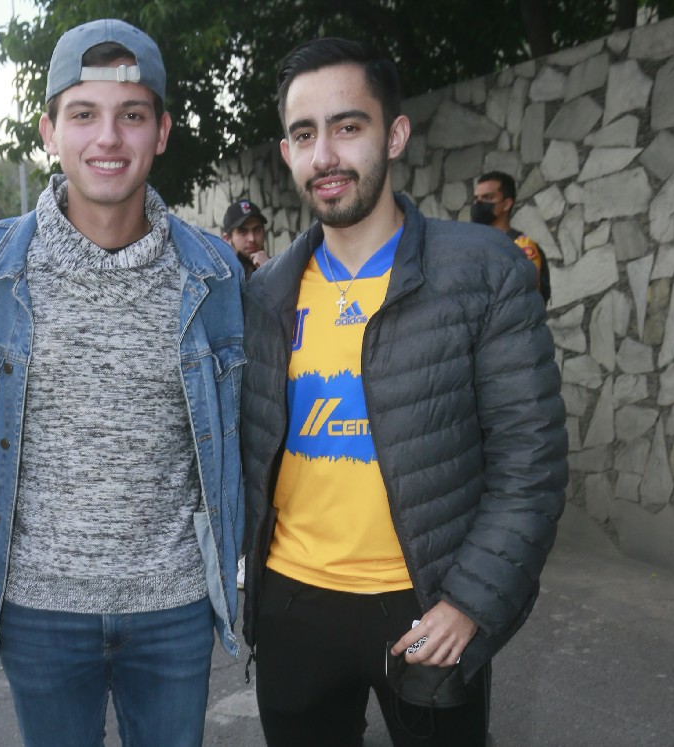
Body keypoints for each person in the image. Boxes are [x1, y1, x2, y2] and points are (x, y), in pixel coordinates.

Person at [240, 38, 567, 746]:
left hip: (426, 607)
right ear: (288, 151)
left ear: (394, 133)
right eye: (305, 134)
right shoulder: (264, 293)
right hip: (293, 606)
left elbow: (530, 461)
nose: (325, 153)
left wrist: (471, 603)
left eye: (347, 126)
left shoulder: (483, 272)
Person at [0, 18, 245, 747]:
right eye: (83, 114)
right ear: (49, 130)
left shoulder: (217, 276)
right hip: (37, 611)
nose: (107, 138)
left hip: (174, 611)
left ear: (162, 131)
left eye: (131, 115)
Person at [472, 171, 551, 304]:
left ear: (506, 204)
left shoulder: (521, 246)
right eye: (476, 198)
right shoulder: (473, 247)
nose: (478, 203)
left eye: (487, 197)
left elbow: (529, 297)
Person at [221, 198, 271, 276]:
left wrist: (271, 270)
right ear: (227, 239)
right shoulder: (222, 278)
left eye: (257, 230)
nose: (252, 239)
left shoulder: (281, 268)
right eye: (243, 231)